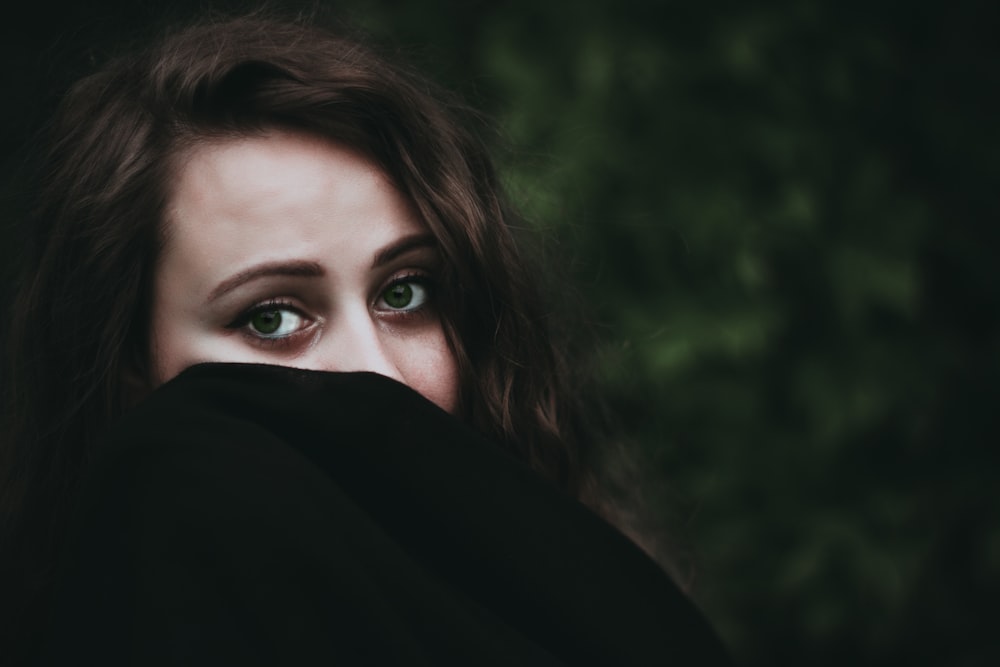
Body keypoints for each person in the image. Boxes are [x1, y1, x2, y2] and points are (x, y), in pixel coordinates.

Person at [0, 12, 731, 665]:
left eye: (404, 294)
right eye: (272, 318)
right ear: (130, 362)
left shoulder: (580, 605)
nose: (375, 373)